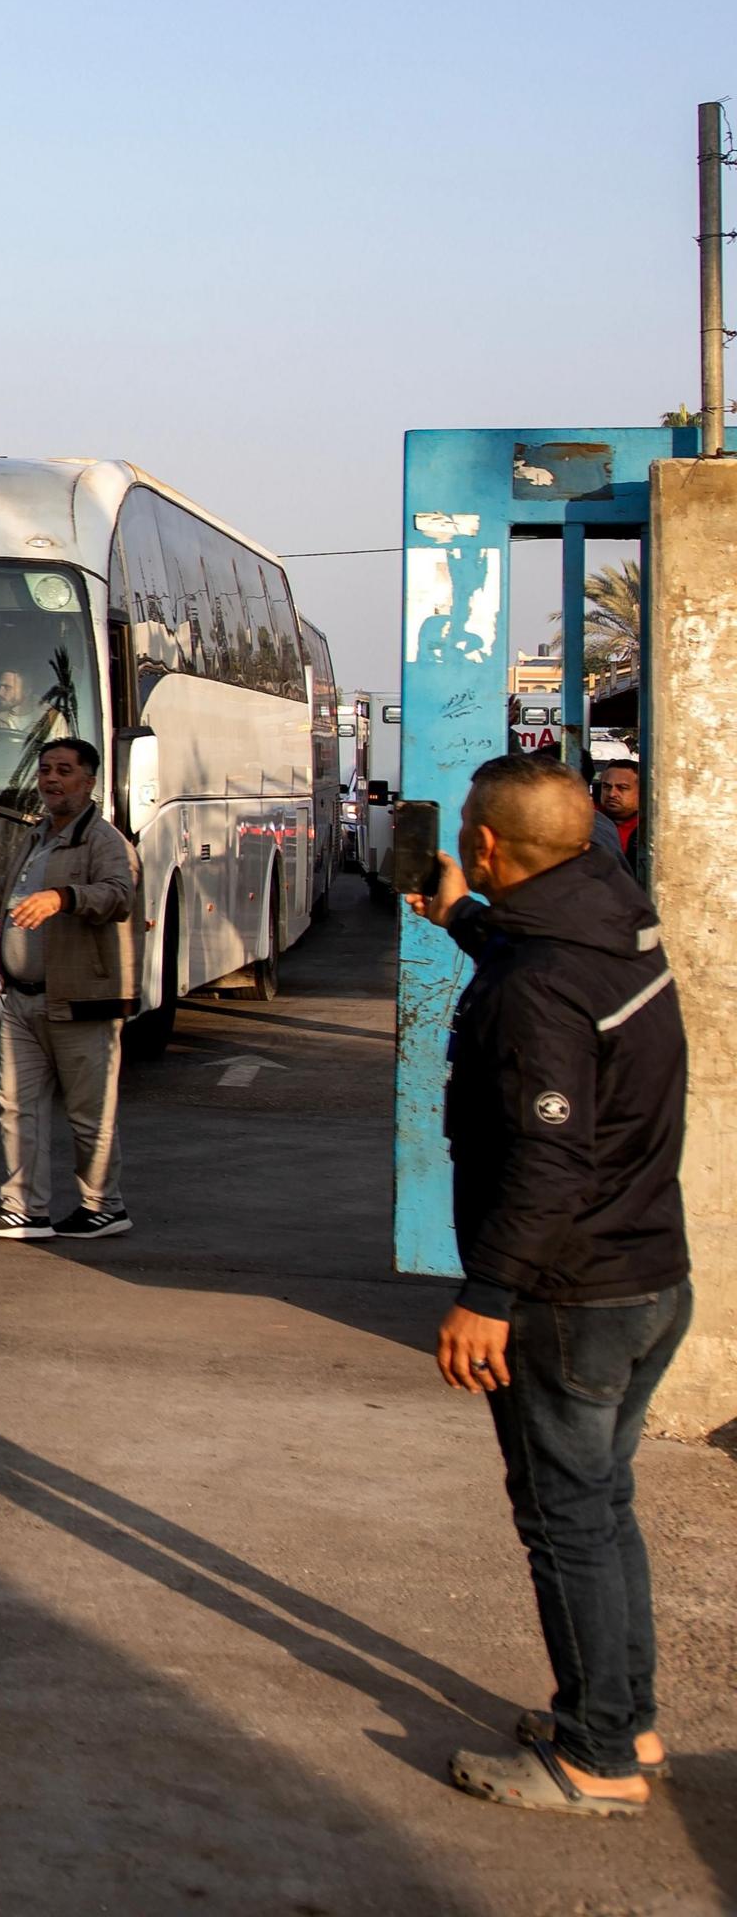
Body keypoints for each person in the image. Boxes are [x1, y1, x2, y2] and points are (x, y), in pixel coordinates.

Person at [404, 754, 689, 1818]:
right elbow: (532, 935)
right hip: (652, 1277)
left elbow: (549, 1163)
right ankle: (626, 1720)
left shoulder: (537, 990)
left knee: (565, 1522)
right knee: (602, 1513)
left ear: (484, 844)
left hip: (574, 1299)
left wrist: (488, 1295)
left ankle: (596, 1760)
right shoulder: (612, 912)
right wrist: (464, 917)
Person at [0, 736, 138, 1240]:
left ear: (89, 782)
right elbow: (4, 891)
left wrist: (62, 898)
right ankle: (24, 1208)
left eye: (64, 771)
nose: (51, 780)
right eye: (46, 770)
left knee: (89, 1116)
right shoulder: (36, 835)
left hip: (81, 1000)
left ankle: (104, 1205)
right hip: (22, 999)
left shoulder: (105, 841)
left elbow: (119, 896)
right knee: (17, 1107)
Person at [593, 760, 645, 880]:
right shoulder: (586, 821)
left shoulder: (648, 828)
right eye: (606, 787)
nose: (612, 794)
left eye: (622, 788)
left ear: (641, 791)